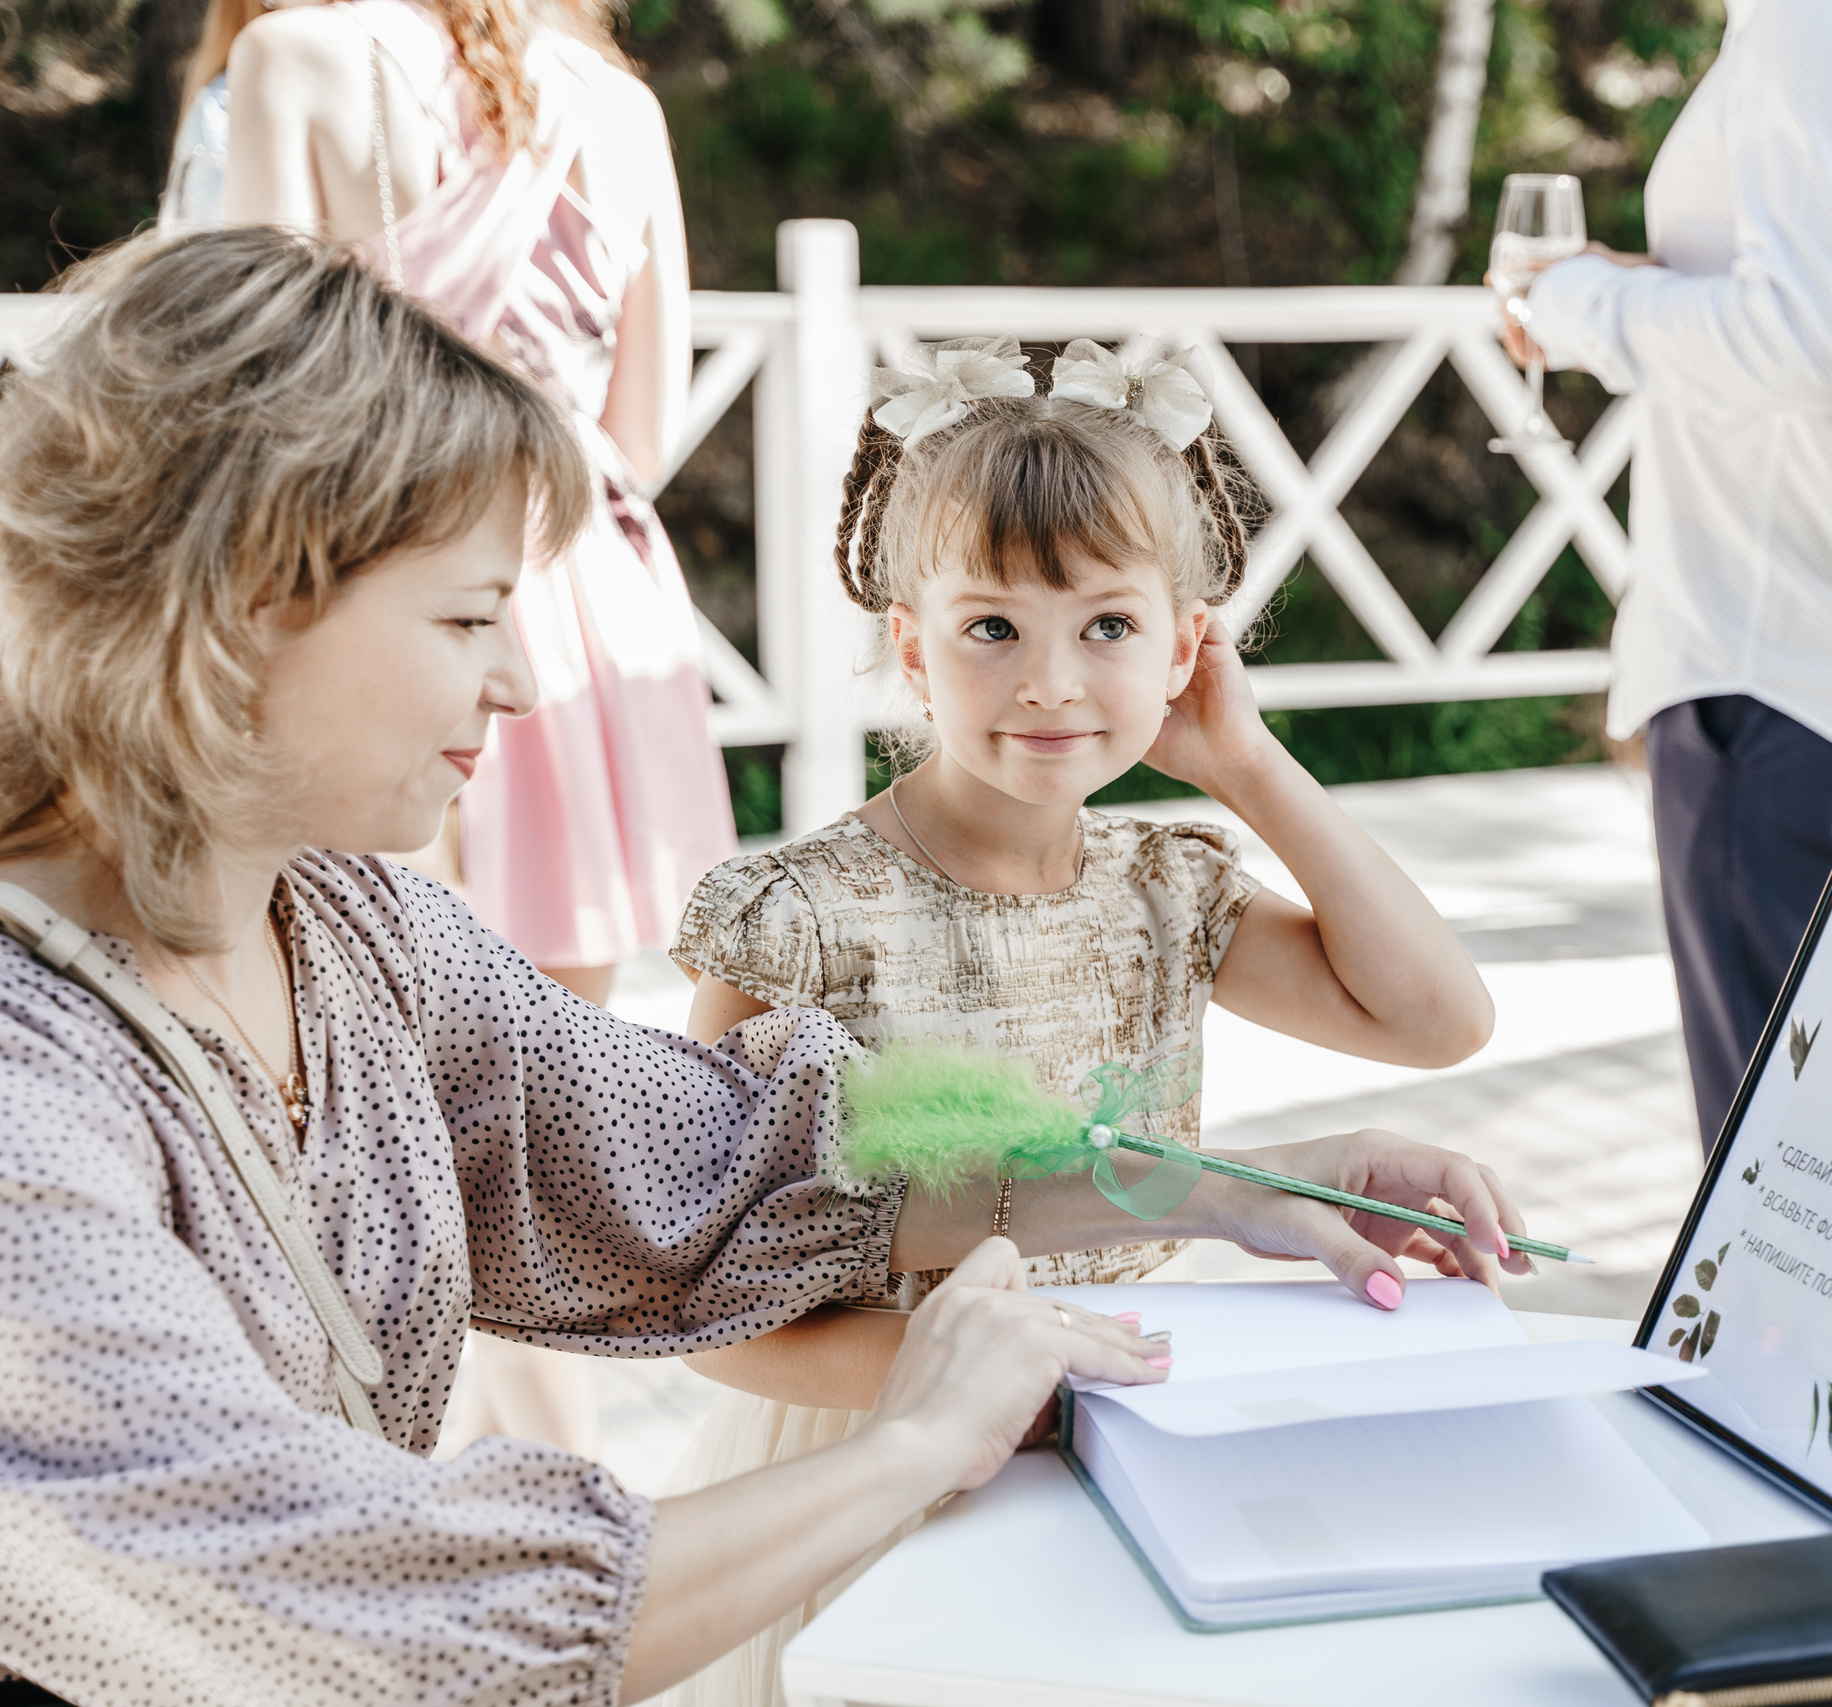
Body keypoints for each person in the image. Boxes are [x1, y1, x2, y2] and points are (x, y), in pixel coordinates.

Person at [0, 229, 1529, 1706]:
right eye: (471, 612)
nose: (523, 680)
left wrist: (1233, 1183)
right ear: (232, 604)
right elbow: (367, 1611)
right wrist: (913, 1440)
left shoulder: (354, 933)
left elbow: (723, 1160)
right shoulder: (30, 1095)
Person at [650, 337, 1502, 1705]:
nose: (1051, 681)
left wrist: (1248, 763)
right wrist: (962, 1387)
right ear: (911, 646)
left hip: (1118, 1438)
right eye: (994, 627)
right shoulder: (796, 918)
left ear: (1186, 644)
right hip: (875, 1455)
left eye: (1108, 625)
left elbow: (1438, 1019)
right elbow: (687, 1295)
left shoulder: (1167, 889)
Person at [1503, 0, 1832, 1153]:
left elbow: (1805, 342)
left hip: (1785, 656)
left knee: (1782, 1201)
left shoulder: (1820, 21)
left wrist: (1577, 304)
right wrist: (1656, 281)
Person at [221, 0, 731, 1010]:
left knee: (358, 983)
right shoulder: (620, 101)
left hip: (385, 542)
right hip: (582, 557)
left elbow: (256, 378)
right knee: (557, 1030)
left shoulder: (293, 52)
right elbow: (644, 432)